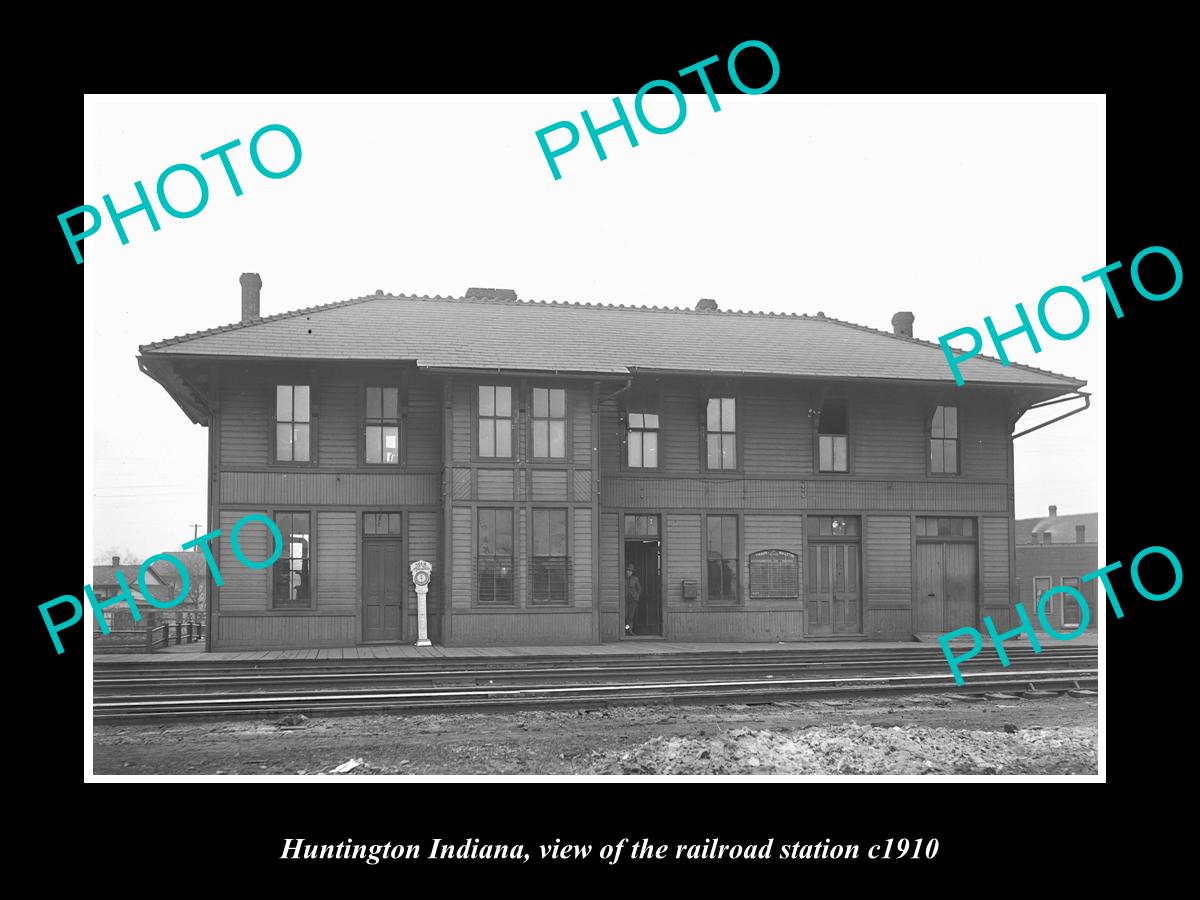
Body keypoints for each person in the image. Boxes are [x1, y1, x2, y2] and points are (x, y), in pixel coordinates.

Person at [624, 563, 642, 635]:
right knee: (624, 616)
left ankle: (629, 631)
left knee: (630, 617)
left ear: (632, 572)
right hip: (624, 600)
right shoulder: (622, 579)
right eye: (628, 570)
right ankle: (624, 630)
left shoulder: (635, 579)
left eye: (631, 571)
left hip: (633, 600)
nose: (629, 572)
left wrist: (636, 597)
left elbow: (639, 589)